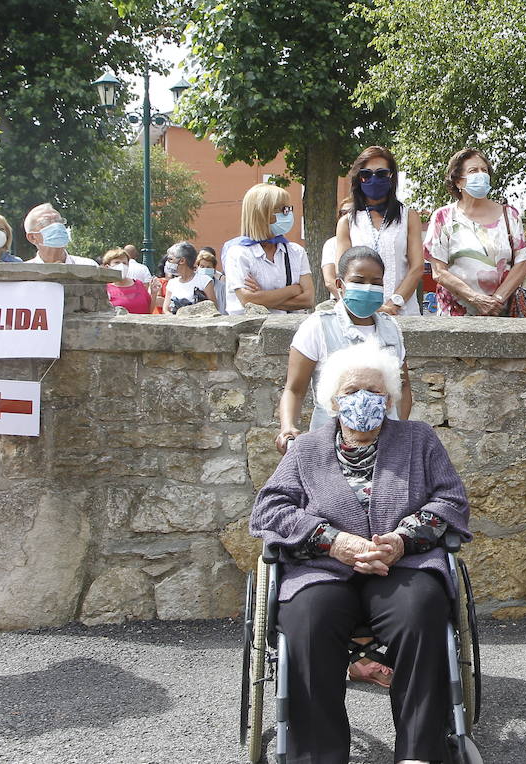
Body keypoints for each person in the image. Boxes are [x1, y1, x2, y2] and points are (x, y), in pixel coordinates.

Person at [249, 339, 469, 764]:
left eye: (373, 391)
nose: (362, 400)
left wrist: (403, 538)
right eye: (351, 392)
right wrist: (333, 540)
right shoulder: (307, 449)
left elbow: (450, 501)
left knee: (422, 610)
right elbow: (269, 510)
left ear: (388, 398)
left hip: (402, 565)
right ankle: (319, 755)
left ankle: (419, 753)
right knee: (308, 621)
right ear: (332, 399)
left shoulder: (419, 439)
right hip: (322, 570)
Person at [278, 245, 412, 449]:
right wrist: (288, 427)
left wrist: (399, 429)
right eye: (358, 281)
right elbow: (295, 389)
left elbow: (403, 386)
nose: (368, 288)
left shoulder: (391, 328)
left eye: (376, 283)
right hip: (331, 444)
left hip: (385, 444)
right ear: (340, 284)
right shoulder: (318, 326)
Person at [424, 148, 526, 316]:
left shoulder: (509, 215)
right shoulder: (443, 217)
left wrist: (496, 300)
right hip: (455, 316)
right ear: (458, 181)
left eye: (484, 170)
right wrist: (474, 298)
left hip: (501, 314)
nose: (481, 174)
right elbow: (438, 271)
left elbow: (522, 263)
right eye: (473, 170)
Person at [337, 147, 424, 316]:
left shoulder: (409, 216)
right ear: (358, 179)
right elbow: (342, 272)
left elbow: (417, 267)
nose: (374, 179)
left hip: (403, 312)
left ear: (391, 176)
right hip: (359, 314)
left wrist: (394, 304)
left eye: (381, 173)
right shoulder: (347, 222)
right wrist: (367, 308)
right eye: (367, 174)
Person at [224, 184, 314, 314]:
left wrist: (263, 297)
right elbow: (247, 299)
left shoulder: (296, 252)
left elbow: (308, 300)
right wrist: (293, 290)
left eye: (289, 209)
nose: (288, 214)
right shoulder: (239, 253)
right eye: (283, 210)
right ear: (262, 213)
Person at [23, 203, 97, 265]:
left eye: (58, 220)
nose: (56, 225)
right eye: (46, 222)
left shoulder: (88, 265)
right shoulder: (24, 272)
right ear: (32, 237)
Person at [161, 241, 218, 314]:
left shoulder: (205, 281)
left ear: (182, 261)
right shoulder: (172, 283)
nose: (168, 262)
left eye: (170, 259)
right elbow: (165, 309)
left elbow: (213, 308)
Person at [100, 247, 153, 314]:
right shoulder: (105, 289)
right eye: (117, 262)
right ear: (107, 267)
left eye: (124, 263)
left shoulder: (139, 284)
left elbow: (149, 310)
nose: (121, 265)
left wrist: (154, 293)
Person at [196, 248, 227, 314]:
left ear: (214, 269)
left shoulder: (222, 287)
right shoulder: (193, 283)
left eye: (208, 267)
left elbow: (224, 308)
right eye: (202, 266)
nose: (205, 269)